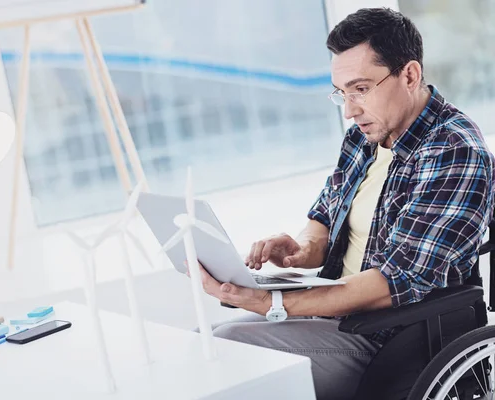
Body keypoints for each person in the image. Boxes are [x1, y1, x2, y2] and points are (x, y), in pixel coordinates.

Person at [190, 7, 495, 400]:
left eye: (361, 89)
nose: (350, 109)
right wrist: (303, 249)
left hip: (388, 334)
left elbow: (395, 283)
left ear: (410, 75)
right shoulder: (364, 138)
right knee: (204, 342)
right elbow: (324, 214)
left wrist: (272, 303)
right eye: (342, 93)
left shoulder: (454, 152)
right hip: (335, 315)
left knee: (229, 350)